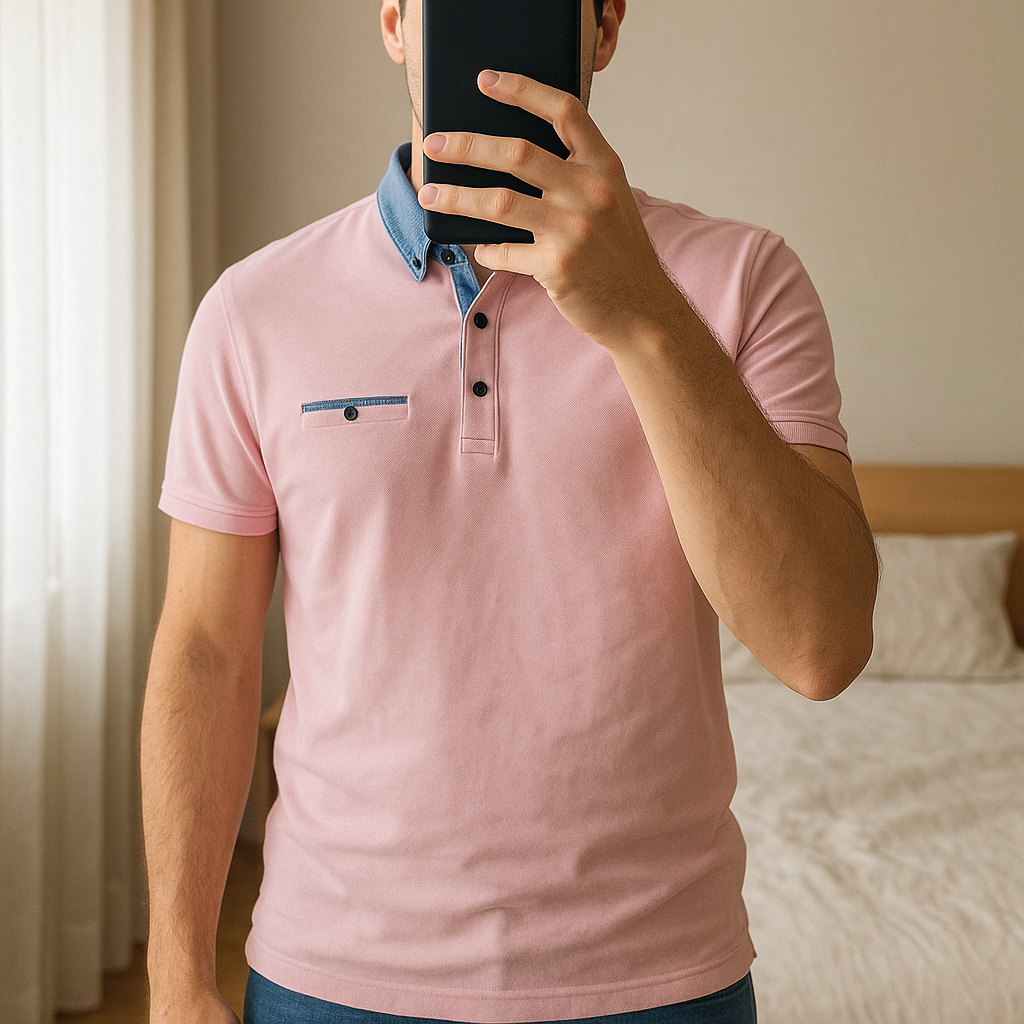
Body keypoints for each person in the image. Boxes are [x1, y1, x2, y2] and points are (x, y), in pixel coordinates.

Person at [140, 1, 879, 1022]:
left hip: (657, 975)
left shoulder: (744, 281)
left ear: (604, 27)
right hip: (333, 972)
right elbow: (206, 651)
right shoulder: (252, 310)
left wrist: (642, 313)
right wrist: (177, 975)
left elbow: (819, 646)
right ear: (396, 23)